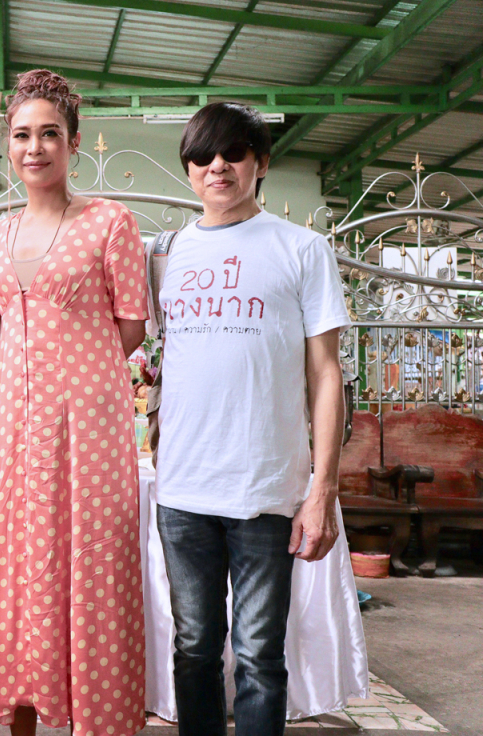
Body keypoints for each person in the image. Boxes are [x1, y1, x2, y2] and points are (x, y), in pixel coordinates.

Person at [154, 102, 349, 735]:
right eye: (203, 156)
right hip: (183, 490)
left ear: (260, 164)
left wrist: (322, 490)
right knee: (194, 651)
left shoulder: (302, 248)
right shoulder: (167, 253)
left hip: (268, 490)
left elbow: (325, 374)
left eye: (234, 154)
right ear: (187, 168)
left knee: (261, 658)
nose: (218, 166)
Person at [0, 69, 150, 736]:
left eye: (50, 134)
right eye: (21, 135)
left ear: (74, 144)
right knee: (16, 572)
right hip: (10, 430)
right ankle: (23, 716)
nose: (34, 147)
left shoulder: (109, 221)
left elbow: (129, 324)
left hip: (89, 428)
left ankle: (94, 719)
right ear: (7, 147)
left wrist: (79, 382)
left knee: (90, 568)